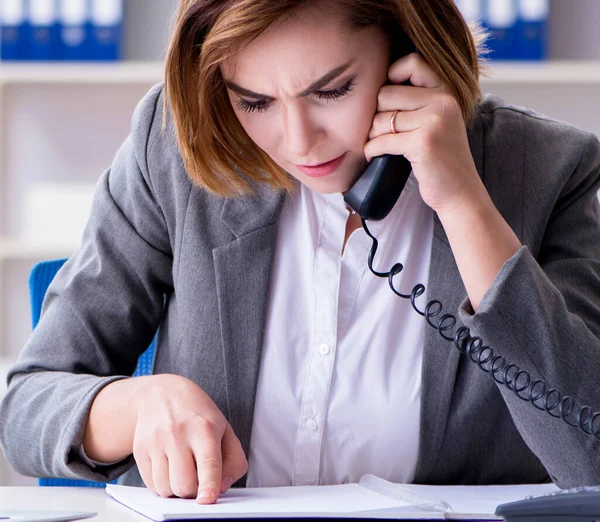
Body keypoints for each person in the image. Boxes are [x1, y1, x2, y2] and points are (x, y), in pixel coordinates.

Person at [2, 0, 600, 505]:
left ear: (411, 57)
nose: (297, 141)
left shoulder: (549, 170)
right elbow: (26, 406)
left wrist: (464, 205)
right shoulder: (175, 151)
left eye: (332, 90)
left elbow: (590, 459)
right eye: (255, 101)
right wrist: (135, 403)